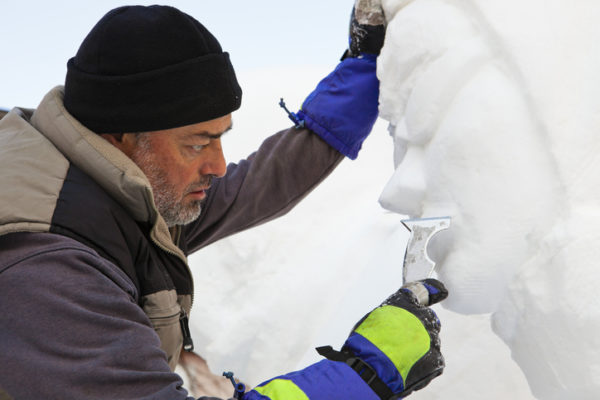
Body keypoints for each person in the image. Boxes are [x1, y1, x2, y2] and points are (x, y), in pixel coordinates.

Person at [0, 3, 447, 399]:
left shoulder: (114, 188)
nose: (217, 165)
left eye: (220, 138)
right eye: (197, 144)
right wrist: (361, 377)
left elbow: (258, 185)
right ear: (121, 136)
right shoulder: (46, 265)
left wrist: (365, 67)